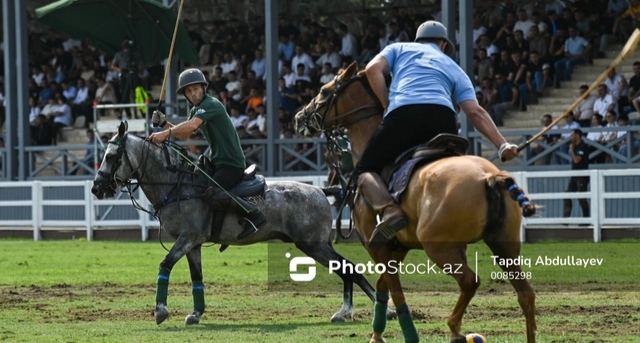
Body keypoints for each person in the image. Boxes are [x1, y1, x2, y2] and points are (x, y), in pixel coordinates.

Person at [358, 20, 519, 249]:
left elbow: (372, 70)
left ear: (418, 40)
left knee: (364, 169)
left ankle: (391, 211)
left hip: (404, 114)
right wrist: (502, 146)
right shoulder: (454, 67)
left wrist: (387, 105)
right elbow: (475, 111)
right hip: (442, 119)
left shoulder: (399, 48)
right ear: (443, 44)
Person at [148, 68, 265, 240]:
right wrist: (164, 123)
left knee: (213, 193)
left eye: (196, 89)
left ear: (203, 88)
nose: (193, 93)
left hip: (231, 163)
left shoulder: (211, 104)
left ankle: (254, 215)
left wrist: (164, 134)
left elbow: (192, 126)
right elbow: (186, 134)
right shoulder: (196, 111)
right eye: (189, 91)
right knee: (197, 189)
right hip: (217, 162)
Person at [563, 129, 590, 219]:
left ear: (577, 135)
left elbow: (577, 160)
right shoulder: (575, 146)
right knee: (567, 195)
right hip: (574, 175)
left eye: (572, 135)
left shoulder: (583, 146)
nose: (571, 137)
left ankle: (586, 219)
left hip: (582, 175)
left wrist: (572, 150)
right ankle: (566, 219)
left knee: (581, 197)